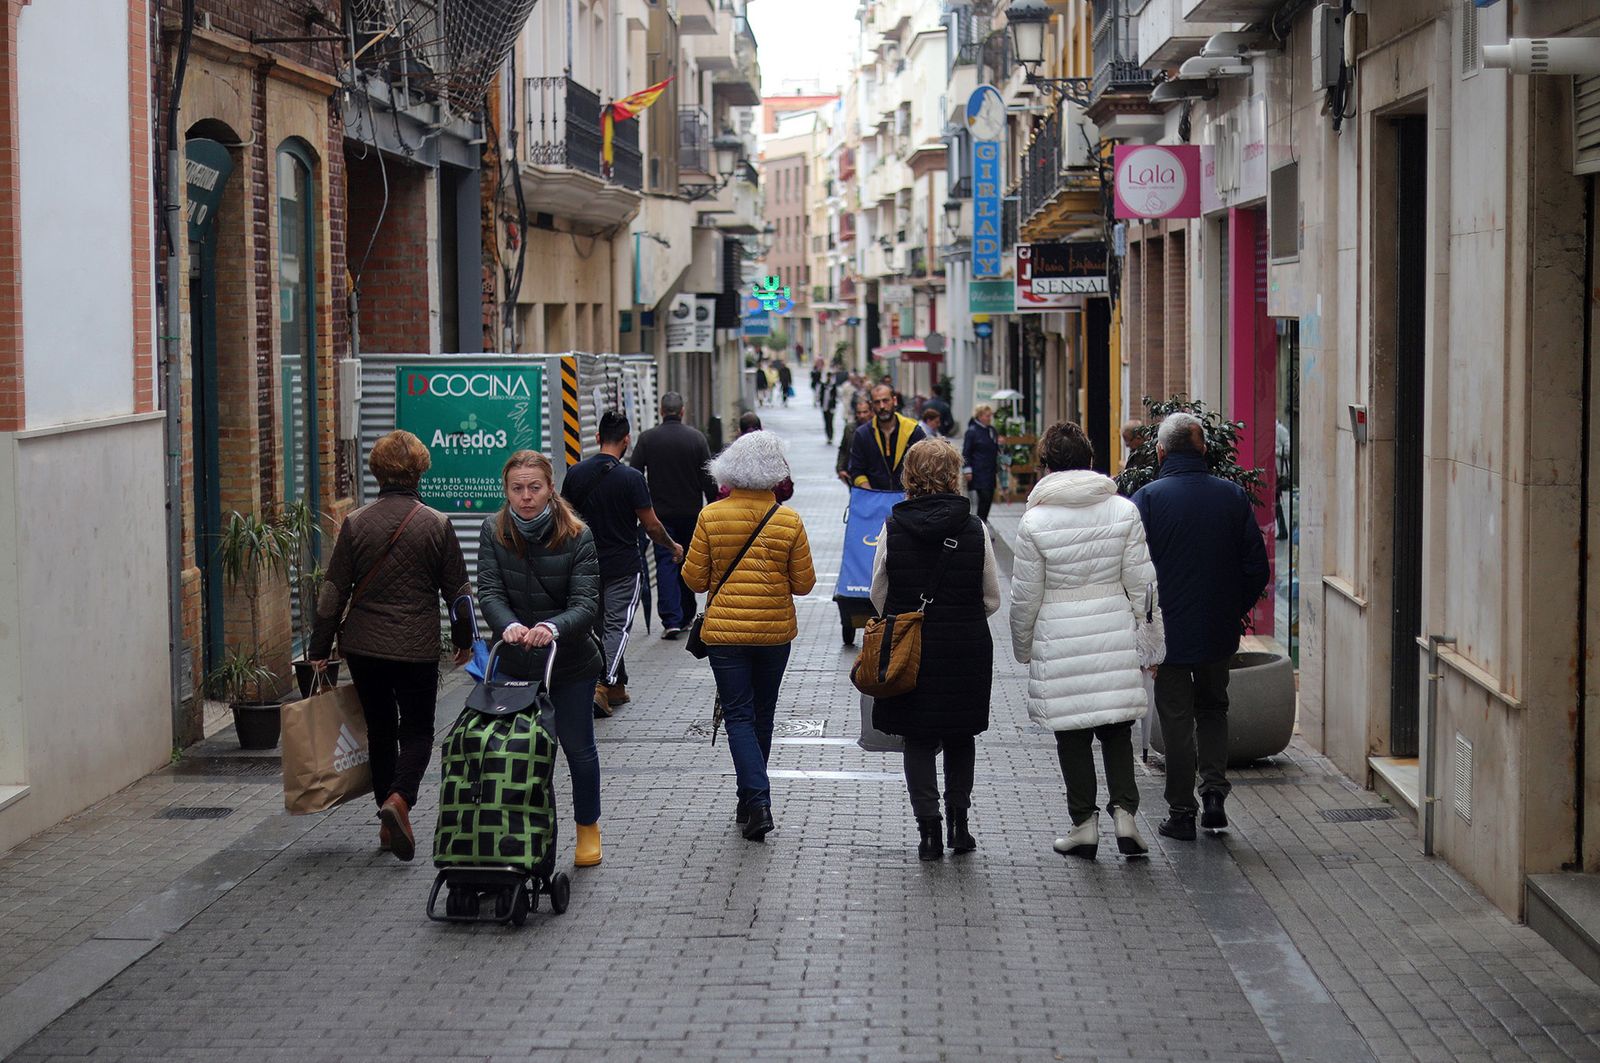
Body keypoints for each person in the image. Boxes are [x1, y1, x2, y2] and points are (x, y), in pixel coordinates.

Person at [308, 430, 474, 862]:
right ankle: (399, 801)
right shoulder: (436, 524)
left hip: (363, 648)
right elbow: (458, 593)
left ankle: (387, 823)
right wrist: (465, 641)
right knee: (417, 730)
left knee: (380, 730)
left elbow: (332, 592)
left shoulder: (356, 522)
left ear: (377, 471)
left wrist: (319, 646)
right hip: (415, 647)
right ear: (420, 470)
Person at [1009, 422, 1162, 861]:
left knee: (1071, 731)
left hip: (1059, 634)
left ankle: (1083, 825)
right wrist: (1150, 640)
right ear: (1090, 460)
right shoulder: (1123, 510)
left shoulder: (1035, 520)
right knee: (1116, 726)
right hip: (1112, 626)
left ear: (1046, 465)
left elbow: (1026, 596)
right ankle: (1126, 814)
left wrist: (1024, 648)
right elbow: (1142, 584)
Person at [1132, 411, 1270, 841]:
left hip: (1167, 632)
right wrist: (1232, 608)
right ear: (1204, 449)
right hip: (1216, 628)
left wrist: (1142, 626)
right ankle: (1213, 794)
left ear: (1159, 452)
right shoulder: (1231, 496)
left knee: (1176, 717)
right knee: (1214, 708)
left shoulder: (1148, 499)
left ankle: (1181, 811)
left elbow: (1133, 574)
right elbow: (1256, 568)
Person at [682, 431, 816, 842]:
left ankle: (755, 802)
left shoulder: (711, 516)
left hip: (724, 634)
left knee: (738, 714)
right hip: (774, 632)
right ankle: (750, 800)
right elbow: (805, 583)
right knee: (763, 714)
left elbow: (694, 577)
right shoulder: (788, 520)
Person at [869, 440, 999, 861]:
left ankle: (928, 832)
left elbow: (879, 593)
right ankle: (960, 827)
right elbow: (992, 597)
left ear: (909, 476)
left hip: (912, 650)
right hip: (965, 645)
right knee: (961, 734)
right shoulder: (975, 528)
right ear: (954, 475)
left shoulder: (893, 526)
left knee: (919, 738)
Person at [477, 450, 607, 868]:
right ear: (507, 491)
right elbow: (490, 591)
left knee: (578, 749)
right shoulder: (493, 531)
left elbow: (586, 604)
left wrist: (552, 627)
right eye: (517, 489)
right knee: (522, 753)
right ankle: (530, 828)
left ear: (551, 488)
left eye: (535, 487)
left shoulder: (576, 535)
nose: (526, 497)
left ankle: (588, 828)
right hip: (516, 665)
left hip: (568, 663)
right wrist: (507, 625)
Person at [562, 411, 683, 717]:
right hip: (623, 567)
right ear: (627, 441)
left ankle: (616, 687)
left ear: (598, 437)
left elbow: (565, 521)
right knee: (617, 627)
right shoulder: (632, 478)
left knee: (599, 626)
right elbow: (652, 526)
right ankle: (602, 685)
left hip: (586, 566)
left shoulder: (575, 474)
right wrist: (672, 546)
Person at [630, 392, 717, 641]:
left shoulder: (648, 439)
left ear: (660, 411)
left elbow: (635, 474)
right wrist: (712, 506)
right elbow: (708, 479)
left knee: (667, 561)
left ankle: (671, 619)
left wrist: (639, 507)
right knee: (689, 562)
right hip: (691, 513)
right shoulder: (697, 439)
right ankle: (688, 613)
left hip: (660, 516)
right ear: (682, 411)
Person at [848, 384, 927, 490]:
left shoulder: (913, 431)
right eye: (877, 402)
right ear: (872, 405)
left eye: (885, 401)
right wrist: (870, 493)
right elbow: (856, 469)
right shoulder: (862, 434)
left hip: (907, 500)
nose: (882, 406)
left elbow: (925, 467)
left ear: (894, 401)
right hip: (874, 499)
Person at [963, 404, 1000, 524]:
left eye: (990, 416)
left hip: (990, 470)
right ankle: (978, 522)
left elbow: (995, 448)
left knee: (988, 497)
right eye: (987, 416)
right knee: (983, 496)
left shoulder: (991, 430)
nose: (990, 418)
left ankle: (983, 521)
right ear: (979, 416)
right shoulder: (972, 432)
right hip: (978, 470)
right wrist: (967, 469)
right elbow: (966, 451)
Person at [836, 397, 871, 484]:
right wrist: (840, 469)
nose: (862, 415)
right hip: (853, 474)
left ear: (871, 412)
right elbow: (843, 449)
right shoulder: (850, 429)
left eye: (865, 412)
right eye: (859, 413)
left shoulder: (876, 429)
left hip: (872, 475)